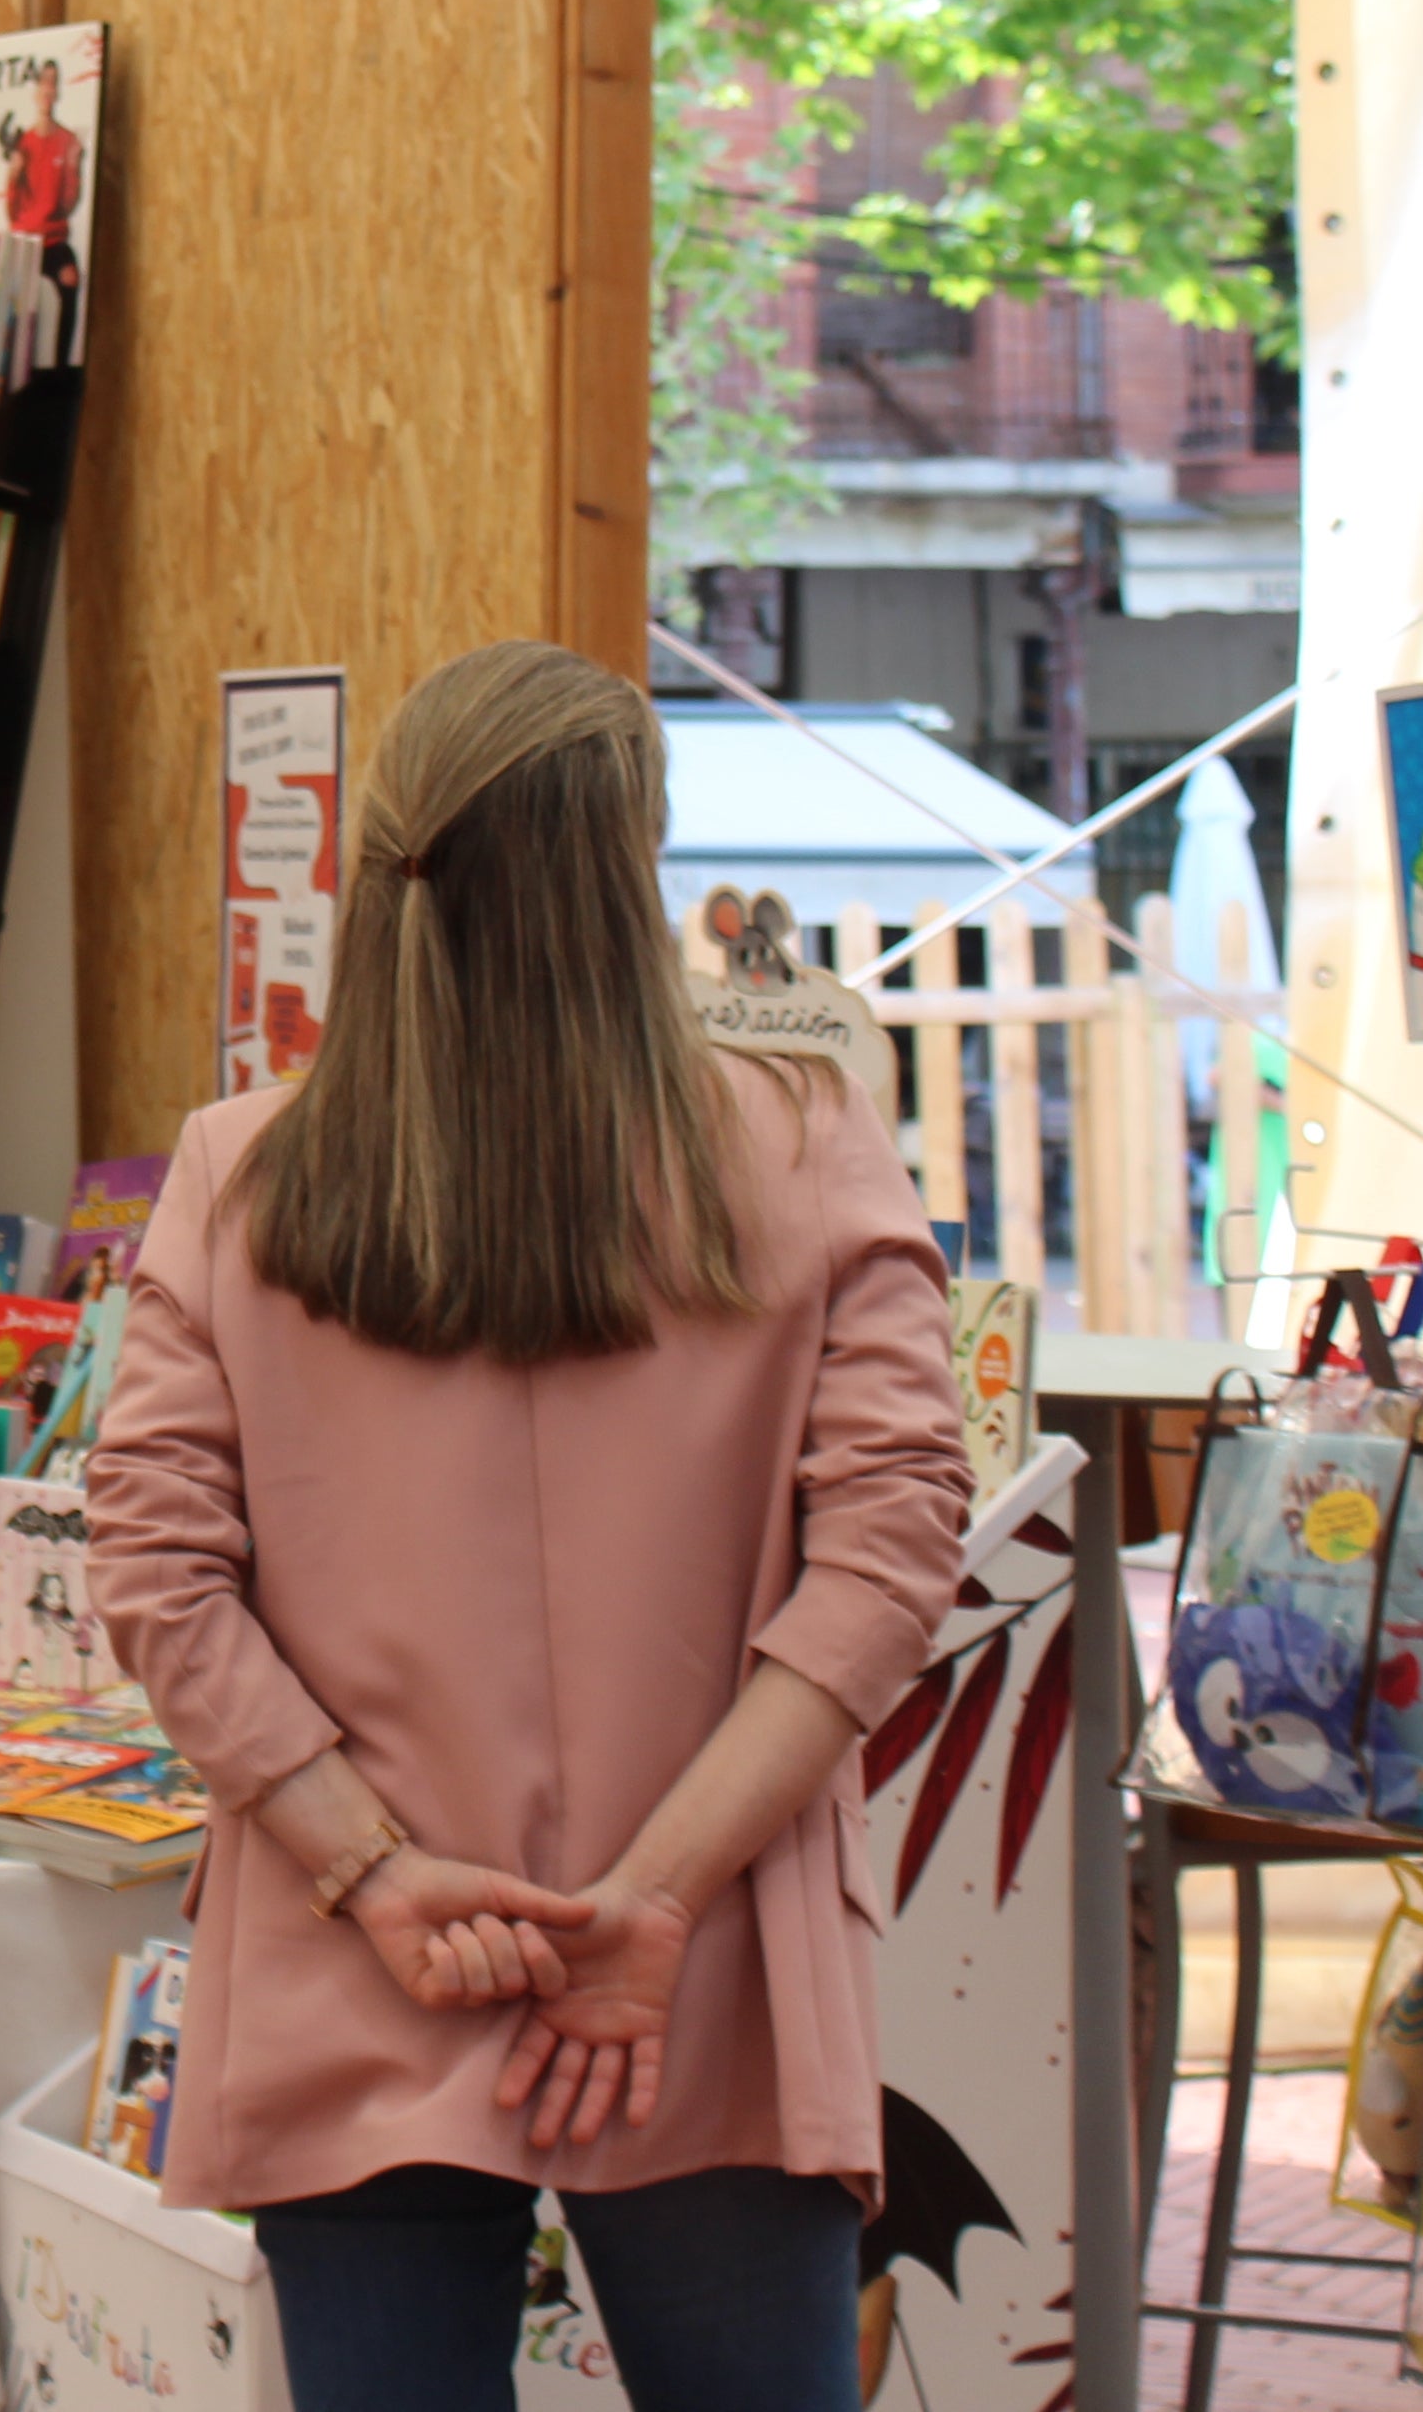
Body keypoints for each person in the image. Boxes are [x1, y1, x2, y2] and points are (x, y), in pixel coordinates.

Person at [87, 640, 967, 2412]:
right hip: (704, 1951)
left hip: (360, 1953)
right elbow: (890, 1560)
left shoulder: (244, 1173)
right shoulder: (804, 1145)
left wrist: (375, 1870)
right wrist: (650, 1902)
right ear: (631, 865)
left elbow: (154, 1571)